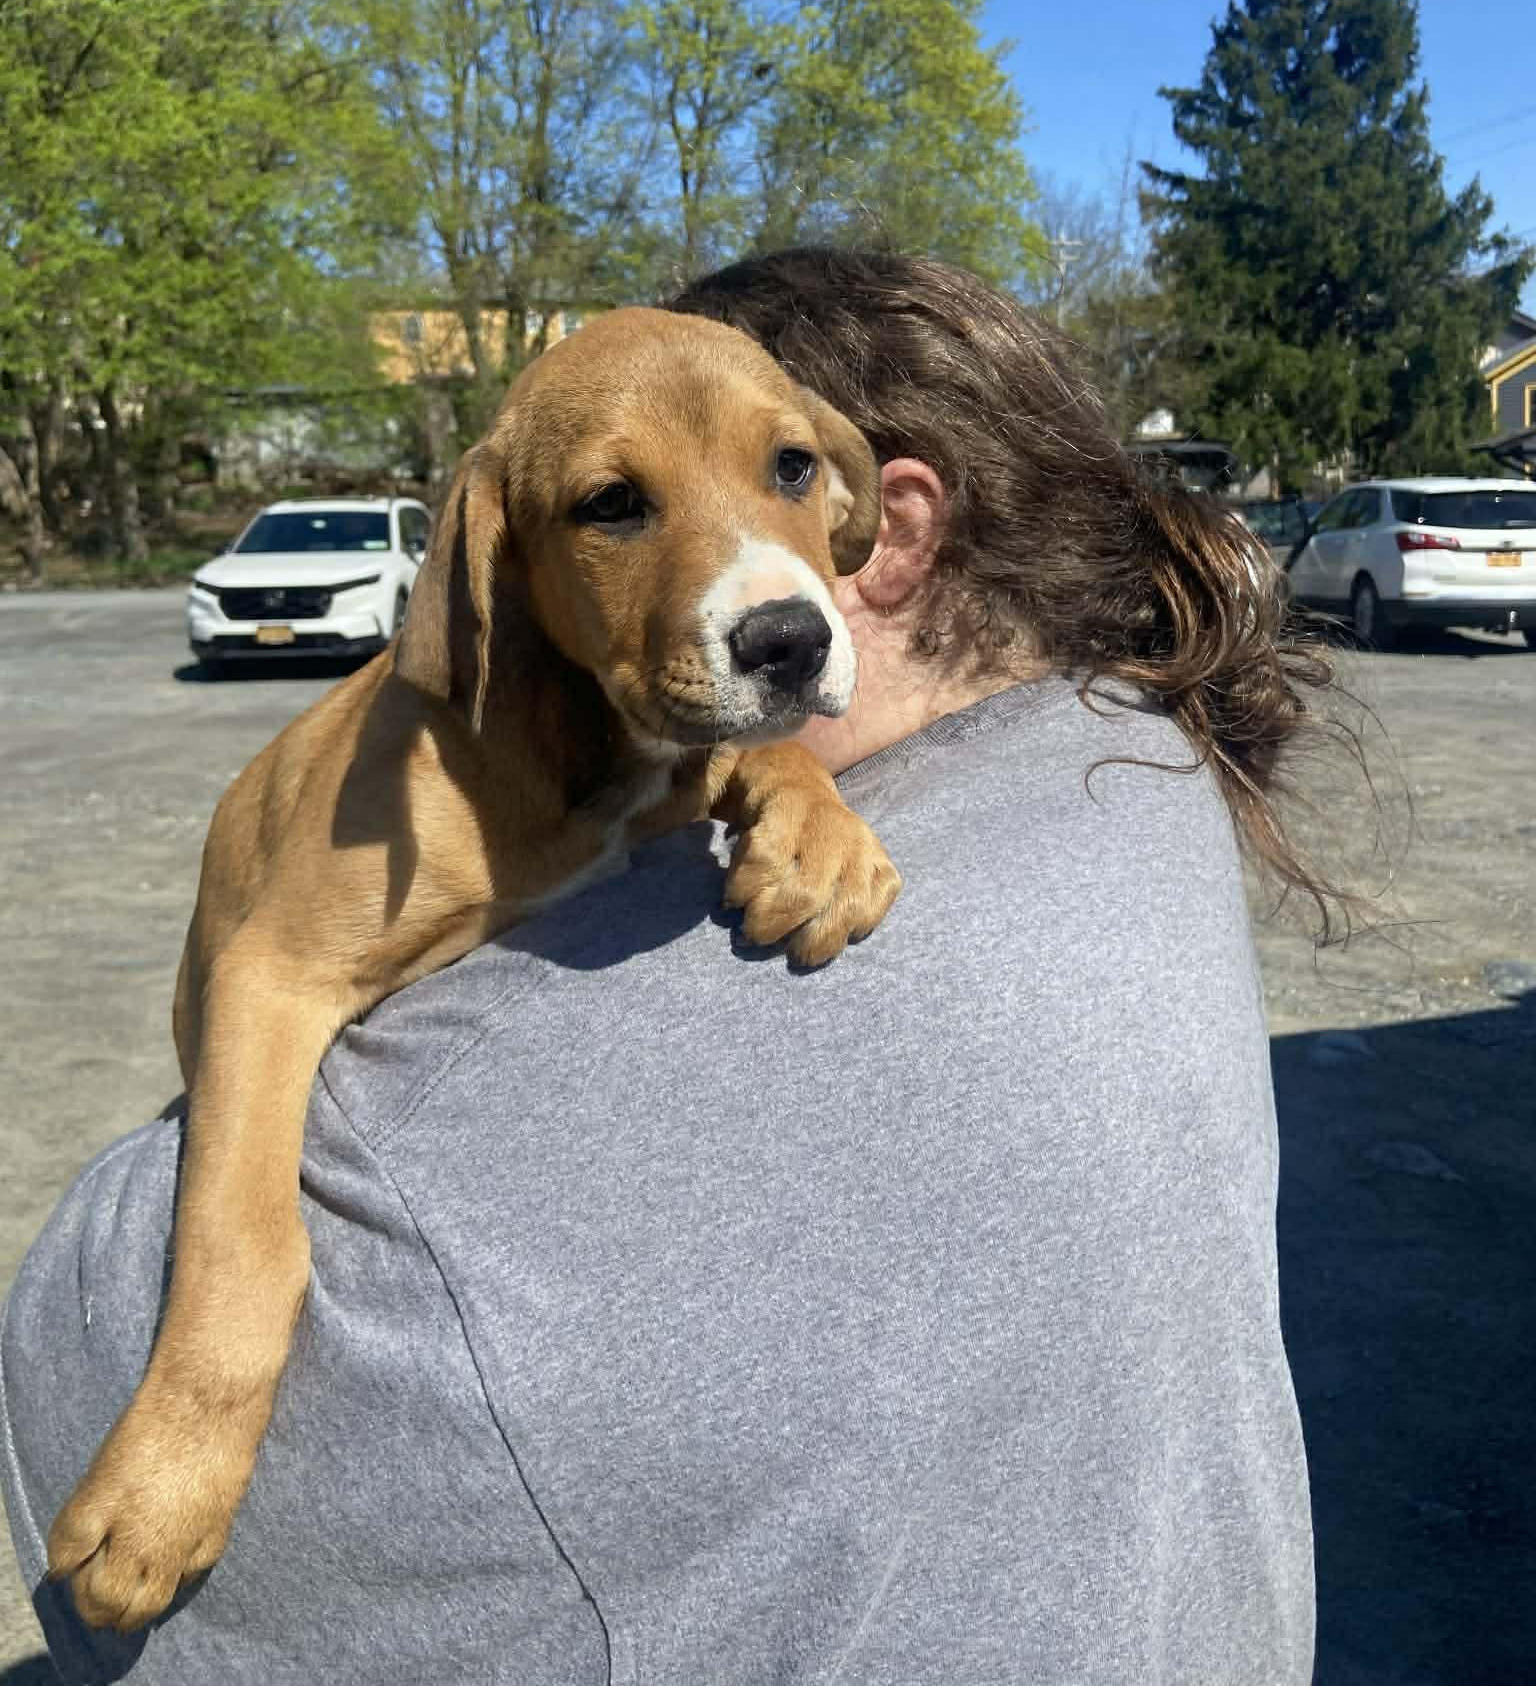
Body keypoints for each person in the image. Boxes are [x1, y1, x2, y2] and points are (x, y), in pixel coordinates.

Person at [2, 247, 1322, 1684]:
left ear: (872, 509)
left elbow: (711, 722)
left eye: (791, 471)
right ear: (497, 562)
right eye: (620, 508)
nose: (742, 562)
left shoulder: (757, 719)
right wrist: (213, 1377)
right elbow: (270, 982)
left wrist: (793, 789)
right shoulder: (446, 779)